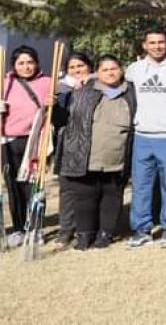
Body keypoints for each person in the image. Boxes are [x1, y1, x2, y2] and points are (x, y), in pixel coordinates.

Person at [58, 55, 136, 250]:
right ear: (97, 73)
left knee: (112, 196)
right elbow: (62, 120)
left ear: (121, 70)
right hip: (86, 155)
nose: (110, 73)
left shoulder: (131, 92)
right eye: (105, 69)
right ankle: (84, 234)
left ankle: (105, 234)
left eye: (114, 68)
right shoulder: (81, 92)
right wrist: (52, 108)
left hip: (117, 156)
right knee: (85, 196)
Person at [125, 28, 166, 248]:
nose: (157, 46)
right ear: (144, 45)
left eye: (161, 42)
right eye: (152, 42)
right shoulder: (134, 69)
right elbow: (112, 80)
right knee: (141, 186)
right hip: (143, 136)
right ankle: (142, 229)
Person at [0, 45, 52, 248]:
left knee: (34, 185)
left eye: (30, 62)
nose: (26, 66)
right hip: (8, 140)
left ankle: (35, 227)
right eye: (21, 63)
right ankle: (19, 228)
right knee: (13, 186)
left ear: (37, 63)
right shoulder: (5, 83)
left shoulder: (47, 82)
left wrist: (53, 102)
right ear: (14, 65)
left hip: (35, 140)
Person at [52, 51, 94, 249]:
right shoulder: (60, 89)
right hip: (67, 143)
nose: (77, 70)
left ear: (89, 67)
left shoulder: (98, 86)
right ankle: (66, 229)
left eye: (81, 66)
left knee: (87, 189)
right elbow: (57, 120)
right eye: (72, 67)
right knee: (67, 189)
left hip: (91, 143)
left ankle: (86, 228)